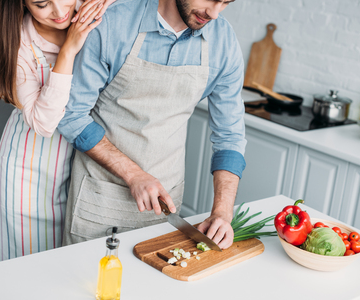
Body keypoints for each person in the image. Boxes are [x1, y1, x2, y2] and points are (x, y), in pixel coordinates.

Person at [58, 0, 246, 250]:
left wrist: (222, 212)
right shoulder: (112, 23)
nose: (214, 12)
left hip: (166, 205)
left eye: (225, 2)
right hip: (101, 199)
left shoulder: (224, 42)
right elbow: (72, 116)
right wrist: (134, 174)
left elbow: (230, 136)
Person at [0, 0, 115, 263]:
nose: (59, 11)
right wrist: (68, 50)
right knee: (24, 264)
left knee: (66, 263)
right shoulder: (18, 43)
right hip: (29, 171)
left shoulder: (88, 8)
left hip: (81, 165)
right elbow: (44, 123)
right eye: (42, 4)